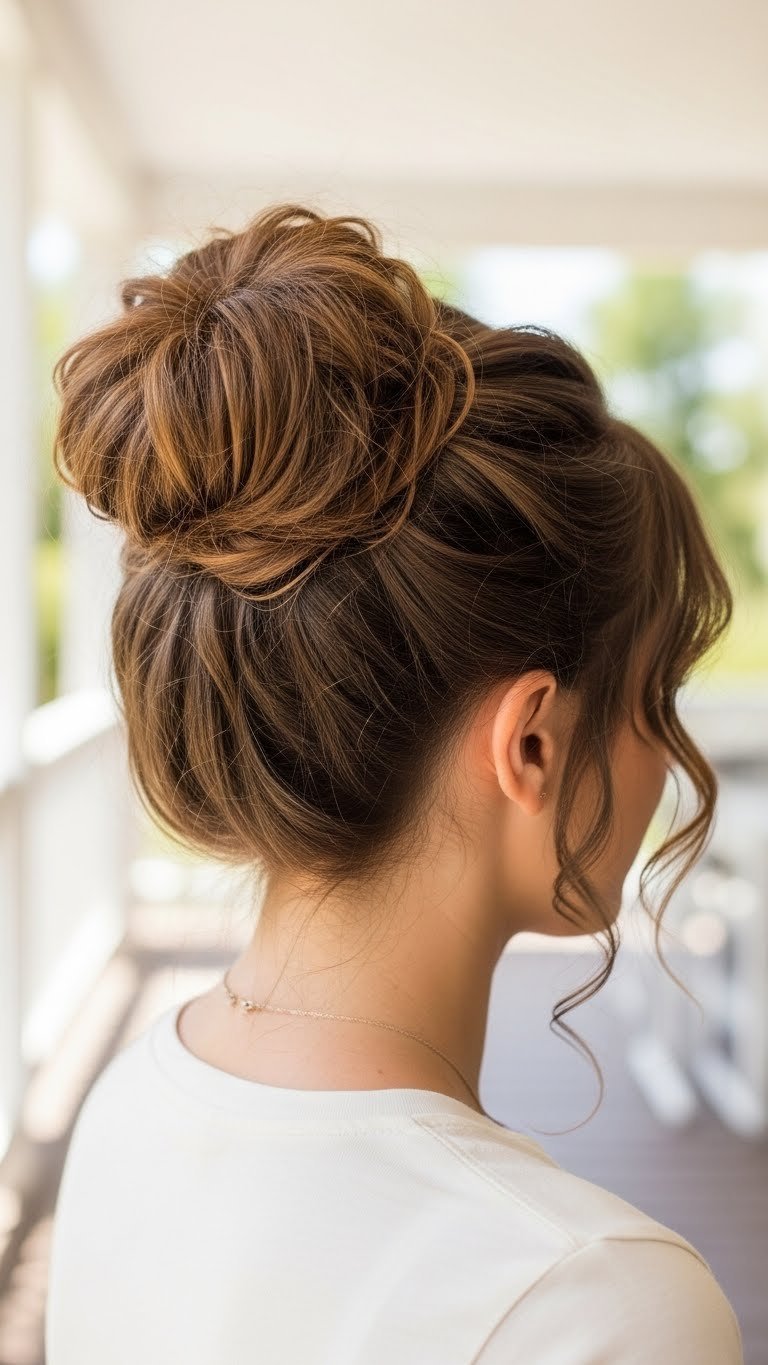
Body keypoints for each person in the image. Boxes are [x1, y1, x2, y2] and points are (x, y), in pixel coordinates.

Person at [44, 203, 743, 1363]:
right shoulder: (594, 1307)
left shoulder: (126, 1106)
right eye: (650, 697)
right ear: (530, 744)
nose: (669, 759)